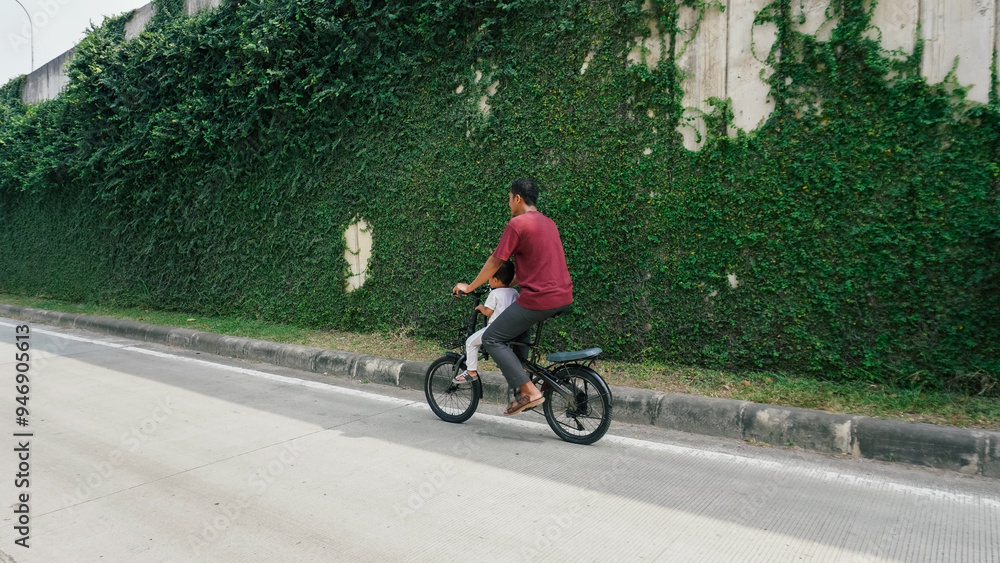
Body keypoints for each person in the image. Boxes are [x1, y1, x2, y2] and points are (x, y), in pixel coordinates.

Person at [452, 178, 573, 416]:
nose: (509, 203)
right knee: (518, 329)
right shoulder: (549, 224)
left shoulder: (518, 224)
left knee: (492, 338)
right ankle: (524, 378)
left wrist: (470, 286)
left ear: (518, 198)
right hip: (563, 295)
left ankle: (529, 391)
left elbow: (496, 261)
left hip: (539, 298)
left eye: (509, 198)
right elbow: (534, 267)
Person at [453, 260, 518, 384]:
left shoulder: (495, 293)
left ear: (495, 280)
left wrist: (480, 308)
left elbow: (488, 311)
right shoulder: (514, 292)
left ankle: (471, 371)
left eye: (489, 277)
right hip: (512, 329)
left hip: (496, 329)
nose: (488, 280)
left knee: (471, 342)